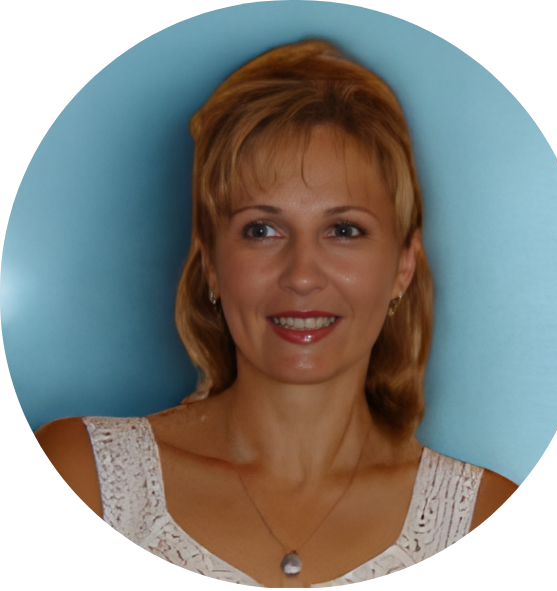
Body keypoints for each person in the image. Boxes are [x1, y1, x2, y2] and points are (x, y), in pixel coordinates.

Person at [34, 39, 518, 587]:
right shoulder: (88, 478)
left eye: (344, 230)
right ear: (211, 264)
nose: (302, 275)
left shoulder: (479, 515)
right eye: (261, 229)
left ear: (404, 266)